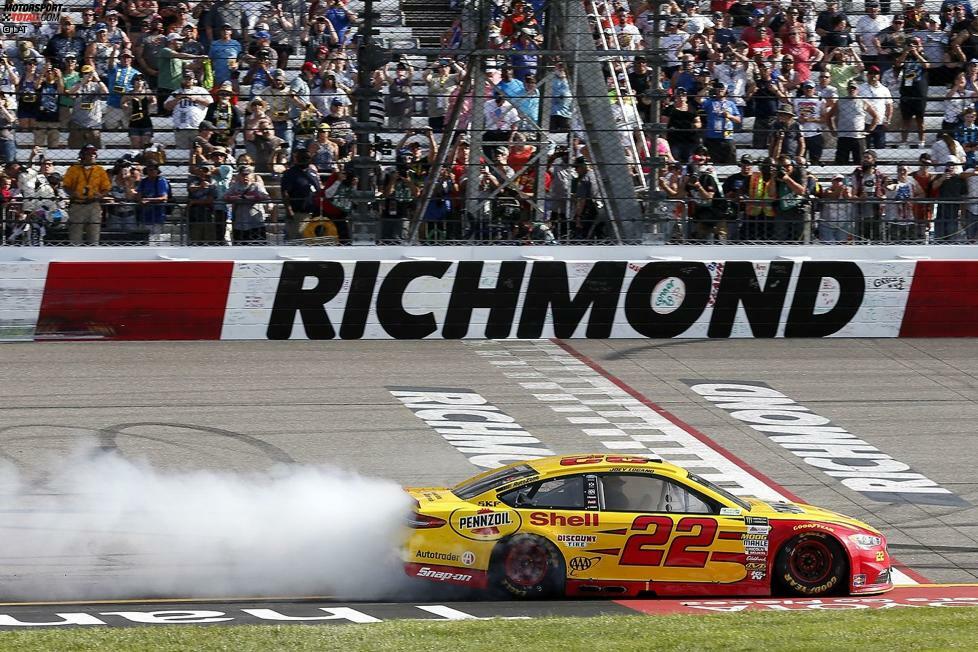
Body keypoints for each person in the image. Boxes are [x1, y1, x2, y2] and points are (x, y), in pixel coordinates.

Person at [62, 144, 111, 245]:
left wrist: (101, 195)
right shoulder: (73, 169)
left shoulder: (100, 170)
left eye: (94, 153)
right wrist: (73, 194)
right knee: (75, 236)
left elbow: (106, 187)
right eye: (90, 153)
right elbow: (66, 186)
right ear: (82, 155)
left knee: (94, 236)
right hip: (77, 204)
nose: (93, 155)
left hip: (94, 205)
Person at [828, 80, 880, 165]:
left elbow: (876, 117)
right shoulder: (840, 101)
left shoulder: (863, 102)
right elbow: (829, 116)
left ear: (857, 90)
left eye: (854, 88)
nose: (852, 90)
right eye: (850, 88)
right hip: (843, 137)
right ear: (847, 89)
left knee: (860, 163)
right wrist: (832, 130)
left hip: (858, 137)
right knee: (841, 163)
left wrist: (869, 130)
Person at [164, 70, 214, 149]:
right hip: (181, 128)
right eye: (185, 78)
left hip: (197, 128)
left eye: (189, 78)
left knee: (198, 149)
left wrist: (196, 98)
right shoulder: (176, 92)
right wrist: (177, 99)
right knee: (182, 152)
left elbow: (211, 104)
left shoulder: (201, 90)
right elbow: (167, 107)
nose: (187, 80)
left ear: (194, 80)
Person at [280, 150, 322, 241]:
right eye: (302, 158)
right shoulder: (290, 174)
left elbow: (318, 189)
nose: (305, 160)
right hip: (298, 213)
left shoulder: (312, 173)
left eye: (307, 158)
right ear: (296, 159)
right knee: (295, 239)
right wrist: (289, 210)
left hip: (314, 213)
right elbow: (285, 193)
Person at [224, 164, 270, 244]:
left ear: (252, 175)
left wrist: (251, 197)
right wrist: (235, 197)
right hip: (239, 224)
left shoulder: (256, 186)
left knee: (258, 247)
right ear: (239, 175)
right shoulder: (234, 186)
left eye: (247, 174)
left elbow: (265, 196)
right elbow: (224, 197)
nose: (245, 177)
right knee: (240, 247)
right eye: (243, 174)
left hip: (255, 223)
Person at [700, 82, 740, 164]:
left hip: (727, 136)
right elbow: (698, 99)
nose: (720, 89)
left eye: (722, 88)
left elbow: (738, 119)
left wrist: (730, 116)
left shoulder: (731, 104)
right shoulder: (710, 102)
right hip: (712, 137)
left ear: (726, 90)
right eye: (718, 88)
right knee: (715, 162)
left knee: (730, 161)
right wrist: (707, 87)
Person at [883, 165, 925, 241]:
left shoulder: (911, 181)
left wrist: (912, 200)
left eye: (904, 170)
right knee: (893, 242)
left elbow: (921, 193)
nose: (902, 172)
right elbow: (888, 187)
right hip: (893, 219)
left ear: (908, 171)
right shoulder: (892, 180)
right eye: (899, 170)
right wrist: (887, 185)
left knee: (910, 243)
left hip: (909, 219)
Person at [819, 174, 855, 242]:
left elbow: (850, 198)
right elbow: (833, 196)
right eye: (836, 180)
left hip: (843, 223)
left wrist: (846, 193)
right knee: (828, 245)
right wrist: (839, 190)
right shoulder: (827, 190)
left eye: (840, 180)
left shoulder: (847, 190)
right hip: (827, 224)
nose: (839, 182)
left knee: (842, 244)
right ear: (832, 182)